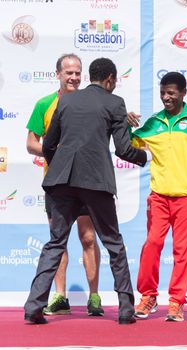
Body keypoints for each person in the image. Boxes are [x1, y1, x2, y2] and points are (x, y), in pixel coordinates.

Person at [24, 57, 150, 325]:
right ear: (110, 80)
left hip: (61, 182)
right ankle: (126, 309)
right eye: (114, 81)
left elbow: (49, 144)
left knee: (55, 243)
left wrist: (58, 163)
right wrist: (147, 158)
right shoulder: (115, 103)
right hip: (96, 181)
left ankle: (34, 305)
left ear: (89, 76)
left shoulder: (66, 101)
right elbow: (125, 150)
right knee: (114, 244)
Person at [130, 72, 187, 322]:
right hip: (158, 197)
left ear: (183, 93)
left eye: (171, 93)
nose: (166, 97)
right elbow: (128, 143)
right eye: (163, 92)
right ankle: (148, 296)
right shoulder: (154, 122)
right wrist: (125, 124)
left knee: (183, 251)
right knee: (152, 245)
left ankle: (176, 301)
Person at [26, 53, 104, 317]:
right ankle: (60, 297)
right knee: (58, 241)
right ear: (57, 74)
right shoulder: (45, 104)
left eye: (77, 73)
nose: (73, 77)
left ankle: (94, 297)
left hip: (86, 182)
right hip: (57, 183)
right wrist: (57, 152)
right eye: (68, 73)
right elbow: (31, 143)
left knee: (89, 238)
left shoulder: (91, 103)